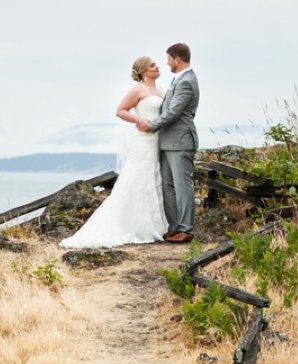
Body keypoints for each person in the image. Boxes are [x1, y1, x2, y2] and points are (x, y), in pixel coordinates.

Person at [64, 56, 168, 249]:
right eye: (152, 65)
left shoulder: (161, 90)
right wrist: (139, 121)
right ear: (144, 71)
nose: (157, 66)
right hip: (143, 138)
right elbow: (120, 111)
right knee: (138, 176)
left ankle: (155, 224)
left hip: (158, 138)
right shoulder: (138, 90)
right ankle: (131, 224)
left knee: (154, 177)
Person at [137, 42, 199, 243]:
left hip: (180, 141)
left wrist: (151, 125)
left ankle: (186, 228)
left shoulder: (187, 81)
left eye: (169, 60)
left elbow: (173, 112)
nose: (167, 63)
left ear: (177, 60)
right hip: (167, 142)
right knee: (168, 186)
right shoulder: (177, 80)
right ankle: (174, 227)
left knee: (182, 187)